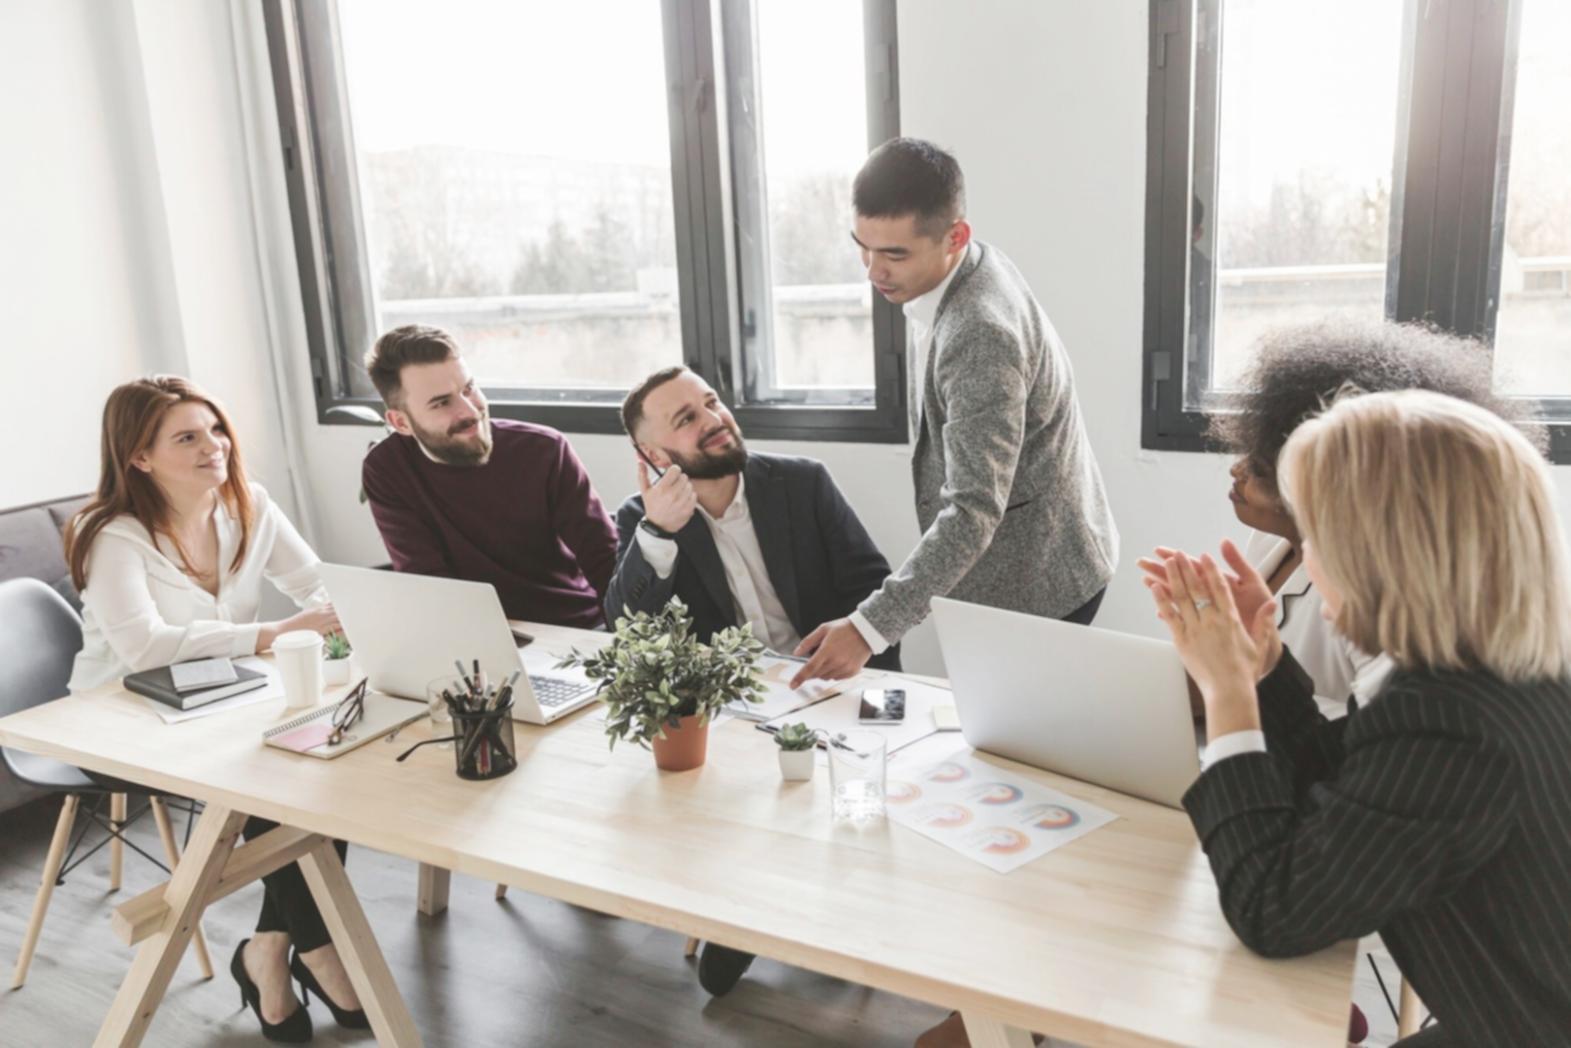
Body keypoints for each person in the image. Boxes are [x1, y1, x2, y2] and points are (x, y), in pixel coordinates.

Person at [1147, 390, 1571, 1047]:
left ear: (1385, 556)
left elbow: (1272, 910)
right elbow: (1347, 787)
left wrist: (1224, 691)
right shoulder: (1497, 672)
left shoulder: (1451, 726)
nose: (1306, 561)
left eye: (1317, 537)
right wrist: (1262, 666)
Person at [65, 376, 362, 1042]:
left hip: (225, 701)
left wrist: (358, 611)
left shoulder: (248, 504)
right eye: (188, 437)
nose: (214, 446)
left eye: (217, 429)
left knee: (321, 760)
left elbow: (315, 584)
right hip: (117, 719)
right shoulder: (112, 534)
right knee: (274, 782)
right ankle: (320, 953)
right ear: (139, 457)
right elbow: (143, 649)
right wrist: (269, 634)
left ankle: (267, 953)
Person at [606, 365, 900, 997]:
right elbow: (629, 632)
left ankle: (816, 915)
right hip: (742, 713)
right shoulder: (641, 518)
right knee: (741, 794)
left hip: (844, 685)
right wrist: (658, 533)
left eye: (711, 402)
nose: (713, 419)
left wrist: (858, 640)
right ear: (654, 455)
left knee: (874, 784)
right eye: (686, 419)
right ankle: (750, 918)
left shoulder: (800, 482)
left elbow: (874, 586)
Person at [791, 137, 1118, 690]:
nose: (873, 271)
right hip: (1048, 547)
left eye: (894, 254)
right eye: (863, 247)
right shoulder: (966, 264)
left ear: (955, 237)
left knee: (1013, 750)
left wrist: (870, 628)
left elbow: (971, 509)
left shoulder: (978, 333)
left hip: (1039, 581)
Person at [1142, 320, 1543, 719]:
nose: (1237, 471)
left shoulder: (1386, 598)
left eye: (1262, 470)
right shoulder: (1269, 542)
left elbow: (1369, 728)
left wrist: (1233, 694)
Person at [361, 324, 618, 627]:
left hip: (573, 628)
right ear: (401, 422)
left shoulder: (545, 450)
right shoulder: (387, 470)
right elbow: (431, 585)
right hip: (479, 637)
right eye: (442, 403)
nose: (470, 411)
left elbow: (606, 564)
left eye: (469, 388)